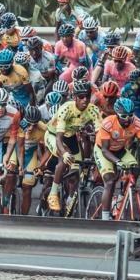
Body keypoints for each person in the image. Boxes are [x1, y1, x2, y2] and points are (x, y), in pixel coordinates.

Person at [42, 80, 101, 212]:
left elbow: (100, 137)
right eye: (81, 96)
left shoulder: (93, 110)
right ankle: (53, 194)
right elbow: (58, 138)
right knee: (65, 155)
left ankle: (69, 199)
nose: (85, 99)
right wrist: (64, 153)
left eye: (87, 95)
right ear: (74, 97)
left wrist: (99, 156)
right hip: (53, 135)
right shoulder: (66, 109)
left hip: (71, 137)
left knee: (76, 172)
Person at [94, 98, 140, 219]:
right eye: (123, 116)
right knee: (110, 181)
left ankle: (121, 199)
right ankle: (105, 219)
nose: (127, 119)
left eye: (130, 115)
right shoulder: (108, 123)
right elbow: (105, 150)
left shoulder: (137, 123)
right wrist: (117, 162)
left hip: (120, 150)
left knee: (135, 169)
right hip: (103, 150)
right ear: (117, 114)